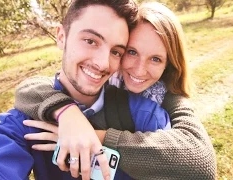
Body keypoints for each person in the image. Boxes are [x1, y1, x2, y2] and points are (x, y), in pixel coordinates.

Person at [14, 2, 217, 179]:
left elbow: (200, 162)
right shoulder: (106, 76)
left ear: (169, 64)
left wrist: (94, 137)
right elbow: (32, 87)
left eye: (156, 59)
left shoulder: (169, 97)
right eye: (131, 52)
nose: (139, 69)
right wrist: (69, 115)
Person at [0, 0, 151, 179]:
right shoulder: (20, 125)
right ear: (61, 37)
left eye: (116, 52)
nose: (103, 63)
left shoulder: (141, 112)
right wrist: (66, 112)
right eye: (90, 41)